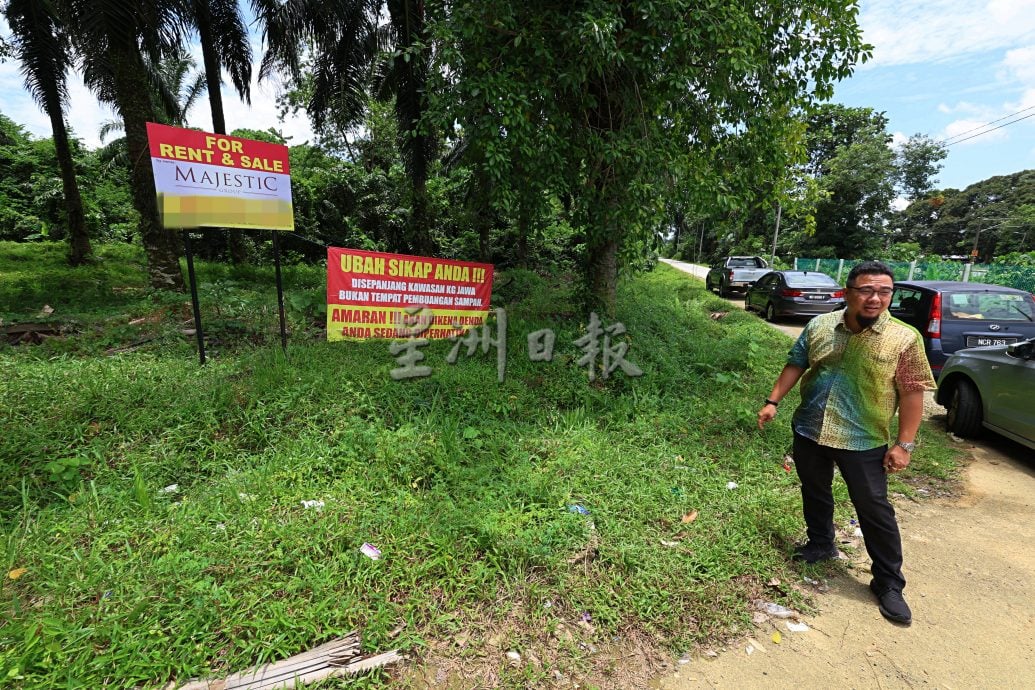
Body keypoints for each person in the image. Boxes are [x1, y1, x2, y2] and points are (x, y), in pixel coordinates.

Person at [757, 260, 935, 625]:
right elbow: (797, 362)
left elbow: (913, 393)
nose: (875, 299)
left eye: (884, 291)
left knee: (873, 507)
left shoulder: (904, 339)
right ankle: (821, 544)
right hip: (810, 429)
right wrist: (773, 401)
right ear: (848, 292)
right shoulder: (821, 325)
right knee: (815, 490)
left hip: (864, 439)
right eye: (867, 290)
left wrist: (904, 445)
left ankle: (888, 584)